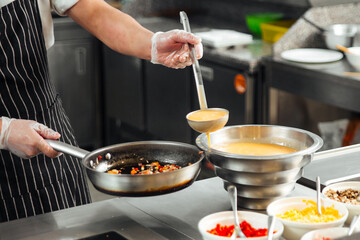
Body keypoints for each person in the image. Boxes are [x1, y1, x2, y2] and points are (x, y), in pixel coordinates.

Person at [0, 0, 203, 222]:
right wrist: (4, 131)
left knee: (74, 225)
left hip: (46, 120)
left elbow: (89, 8)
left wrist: (152, 43)